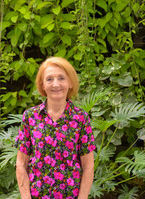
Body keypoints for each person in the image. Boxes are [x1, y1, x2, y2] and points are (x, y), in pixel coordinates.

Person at [14, 57, 96, 199]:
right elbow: (21, 164)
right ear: (43, 85)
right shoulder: (30, 117)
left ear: (70, 82)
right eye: (49, 79)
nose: (56, 84)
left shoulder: (81, 118)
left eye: (61, 78)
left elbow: (88, 166)